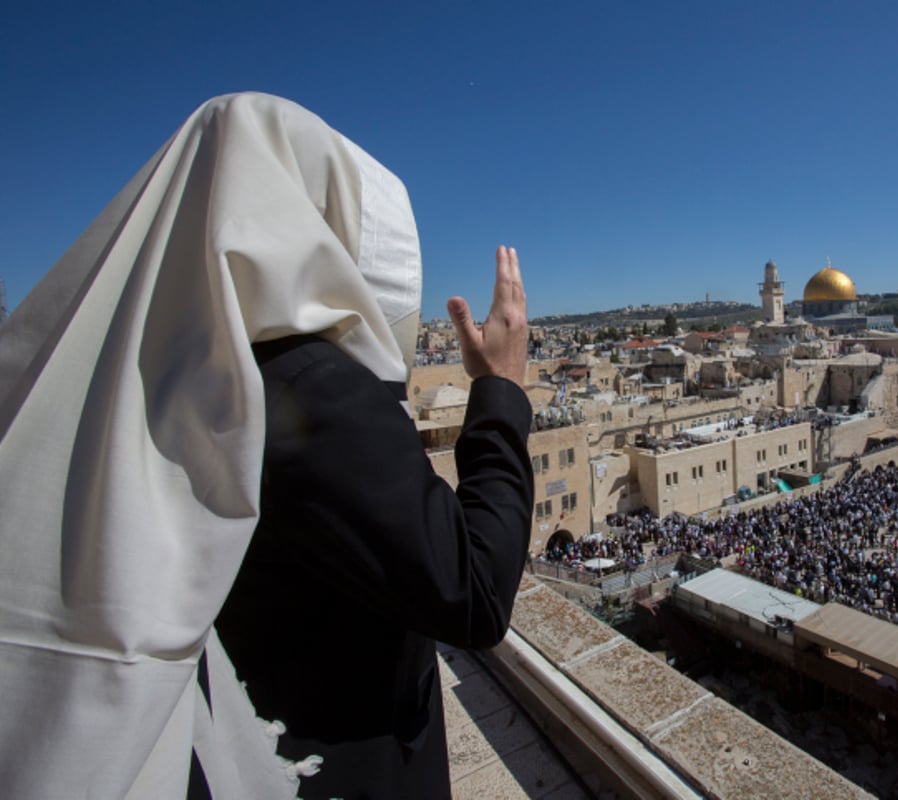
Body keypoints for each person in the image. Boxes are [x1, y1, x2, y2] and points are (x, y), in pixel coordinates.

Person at [0, 92, 532, 799]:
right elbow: (474, 594)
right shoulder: (305, 382)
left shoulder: (183, 370)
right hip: (336, 756)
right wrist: (501, 390)